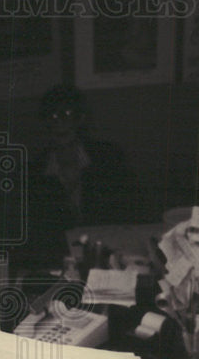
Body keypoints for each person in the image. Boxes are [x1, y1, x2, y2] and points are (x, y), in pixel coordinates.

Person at [11, 84, 143, 274]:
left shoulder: (108, 157)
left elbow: (132, 209)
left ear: (80, 118)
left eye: (66, 114)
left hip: (110, 258)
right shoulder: (34, 173)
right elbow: (35, 235)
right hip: (62, 266)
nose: (59, 123)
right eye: (52, 117)